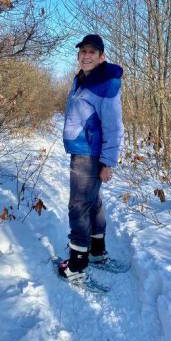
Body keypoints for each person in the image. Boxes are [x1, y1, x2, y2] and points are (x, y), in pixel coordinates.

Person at [59, 34, 124, 281]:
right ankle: (97, 252)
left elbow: (114, 126)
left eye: (91, 52)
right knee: (93, 202)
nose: (86, 56)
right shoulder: (83, 79)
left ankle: (77, 264)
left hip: (88, 153)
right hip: (82, 149)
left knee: (78, 206)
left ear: (101, 57)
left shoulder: (105, 84)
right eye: (83, 52)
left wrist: (107, 162)